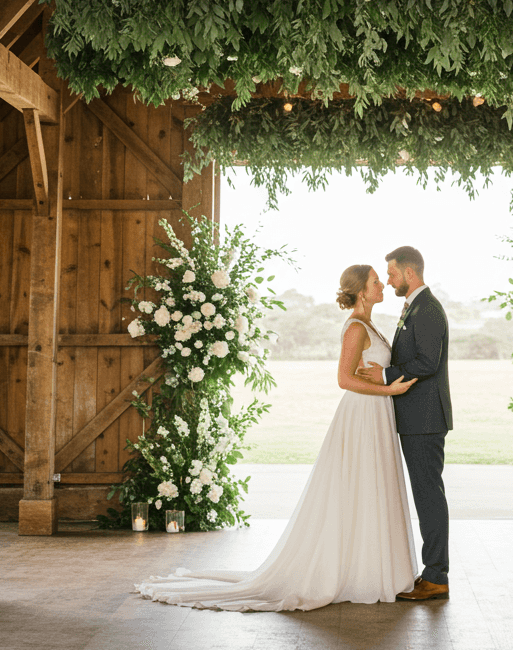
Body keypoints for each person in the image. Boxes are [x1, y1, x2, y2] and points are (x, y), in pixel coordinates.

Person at [134, 264, 417, 612]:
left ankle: (370, 568)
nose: (382, 286)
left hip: (376, 413)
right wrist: (388, 387)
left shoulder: (369, 323)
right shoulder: (356, 327)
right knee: (358, 486)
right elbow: (344, 379)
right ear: (362, 291)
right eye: (376, 282)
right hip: (362, 414)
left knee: (370, 487)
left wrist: (384, 384)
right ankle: (355, 571)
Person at [357, 245, 452, 602]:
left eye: (393, 274)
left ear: (409, 273)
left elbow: (427, 362)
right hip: (415, 417)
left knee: (428, 495)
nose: (389, 280)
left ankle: (436, 576)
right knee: (426, 494)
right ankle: (432, 571)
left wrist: (384, 374)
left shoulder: (427, 309)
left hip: (425, 418)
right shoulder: (415, 307)